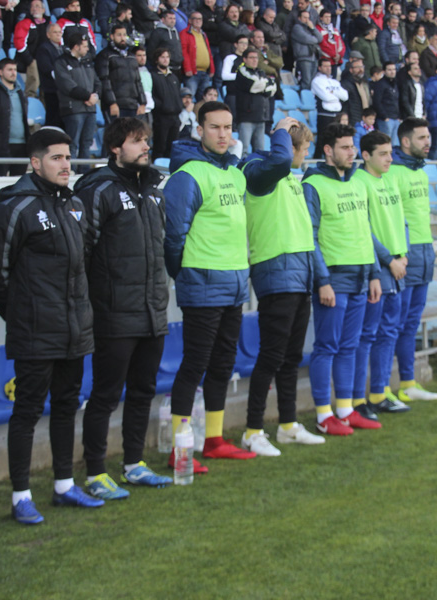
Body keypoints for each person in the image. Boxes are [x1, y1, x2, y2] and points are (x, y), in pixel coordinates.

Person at [0, 127, 104, 525]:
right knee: (27, 412)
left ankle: (64, 486)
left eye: (68, 157)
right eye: (56, 158)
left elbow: (82, 263)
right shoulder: (14, 208)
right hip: (35, 331)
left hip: (74, 329)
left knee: (67, 407)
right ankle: (20, 496)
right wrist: (22, 315)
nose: (66, 165)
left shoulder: (74, 205)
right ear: (35, 163)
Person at [69, 117, 174, 499]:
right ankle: (95, 471)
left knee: (143, 390)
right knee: (105, 395)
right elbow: (82, 253)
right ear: (115, 148)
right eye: (136, 141)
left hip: (152, 311)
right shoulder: (98, 190)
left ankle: (133, 464)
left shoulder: (153, 190)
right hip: (113, 313)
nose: (146, 146)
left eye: (147, 139)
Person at [164, 101, 257, 470]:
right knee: (195, 365)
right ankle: (180, 449)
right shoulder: (188, 175)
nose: (223, 134)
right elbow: (173, 238)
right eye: (215, 127)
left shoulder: (235, 173)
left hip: (234, 284)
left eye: (228, 127)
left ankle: (214, 440)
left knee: (223, 363)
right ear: (199, 130)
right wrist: (183, 273)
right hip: (201, 283)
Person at [238, 118, 327, 455]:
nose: (305, 157)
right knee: (271, 357)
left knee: (291, 357)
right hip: (276, 272)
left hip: (298, 276)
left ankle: (288, 425)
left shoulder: (290, 177)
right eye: (303, 149)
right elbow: (277, 161)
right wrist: (279, 130)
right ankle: (252, 430)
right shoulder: (262, 172)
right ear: (290, 148)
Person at [303, 122, 384, 435]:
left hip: (363, 277)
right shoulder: (313, 184)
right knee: (327, 346)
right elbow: (309, 237)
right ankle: (324, 416)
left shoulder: (358, 182)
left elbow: (366, 230)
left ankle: (346, 409)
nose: (353, 153)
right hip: (333, 280)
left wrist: (375, 273)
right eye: (346, 147)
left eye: (353, 147)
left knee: (350, 346)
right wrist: (322, 280)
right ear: (328, 150)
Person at [351, 130, 411, 418]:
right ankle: (358, 399)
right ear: (365, 156)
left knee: (389, 331)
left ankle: (380, 392)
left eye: (391, 152)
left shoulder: (389, 179)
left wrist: (403, 253)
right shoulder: (359, 182)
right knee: (369, 334)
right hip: (379, 269)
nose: (390, 158)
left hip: (398, 266)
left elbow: (401, 221)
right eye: (383, 154)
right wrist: (389, 260)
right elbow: (366, 230)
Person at [383, 117, 437, 402]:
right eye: (422, 138)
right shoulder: (392, 172)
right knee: (394, 323)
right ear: (405, 142)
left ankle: (407, 383)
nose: (428, 142)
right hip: (404, 255)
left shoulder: (421, 172)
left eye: (428, 137)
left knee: (411, 323)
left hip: (425, 252)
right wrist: (397, 254)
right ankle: (382, 386)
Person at [54, 29, 100, 169]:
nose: (88, 49)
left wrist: (95, 96)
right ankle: (71, 172)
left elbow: (97, 82)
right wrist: (87, 96)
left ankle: (84, 175)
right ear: (76, 46)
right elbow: (67, 85)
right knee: (72, 144)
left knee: (86, 144)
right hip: (74, 109)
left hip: (90, 108)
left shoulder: (87, 61)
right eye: (85, 46)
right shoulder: (61, 62)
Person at [95, 23, 145, 123]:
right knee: (116, 136)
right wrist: (112, 103)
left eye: (124, 35)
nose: (122, 38)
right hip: (116, 105)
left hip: (132, 105)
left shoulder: (131, 56)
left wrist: (143, 102)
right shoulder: (105, 55)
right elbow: (104, 80)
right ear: (112, 36)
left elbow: (138, 81)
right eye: (119, 35)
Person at [231, 47, 276, 155]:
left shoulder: (261, 72)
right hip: (246, 117)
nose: (255, 60)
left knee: (260, 151)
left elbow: (273, 89)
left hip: (261, 117)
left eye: (256, 58)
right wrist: (264, 85)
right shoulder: (242, 72)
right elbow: (254, 85)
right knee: (244, 150)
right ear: (244, 59)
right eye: (251, 58)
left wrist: (262, 86)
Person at [311, 58, 348, 158]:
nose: (328, 68)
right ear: (319, 67)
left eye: (330, 66)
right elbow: (326, 97)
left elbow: (345, 96)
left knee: (336, 139)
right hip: (325, 115)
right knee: (322, 139)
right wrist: (337, 95)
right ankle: (317, 160)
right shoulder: (316, 81)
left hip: (337, 115)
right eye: (325, 66)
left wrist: (333, 93)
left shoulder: (334, 81)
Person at [149, 47, 181, 159]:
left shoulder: (174, 77)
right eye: (162, 57)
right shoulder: (152, 75)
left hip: (175, 117)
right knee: (160, 147)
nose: (165, 60)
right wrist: (161, 106)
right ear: (157, 59)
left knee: (172, 148)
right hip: (161, 117)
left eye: (167, 57)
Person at [35, 22, 64, 127]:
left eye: (59, 32)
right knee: (53, 118)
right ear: (48, 35)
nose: (58, 34)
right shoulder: (44, 48)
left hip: (62, 90)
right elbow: (47, 68)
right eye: (55, 32)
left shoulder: (63, 49)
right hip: (51, 89)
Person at [372, 62, 401, 145]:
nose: (392, 72)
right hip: (385, 119)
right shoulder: (380, 84)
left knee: (395, 145)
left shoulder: (395, 83)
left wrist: (399, 116)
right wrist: (384, 117)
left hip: (396, 118)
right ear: (384, 71)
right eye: (389, 70)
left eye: (394, 69)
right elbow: (377, 102)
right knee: (385, 143)